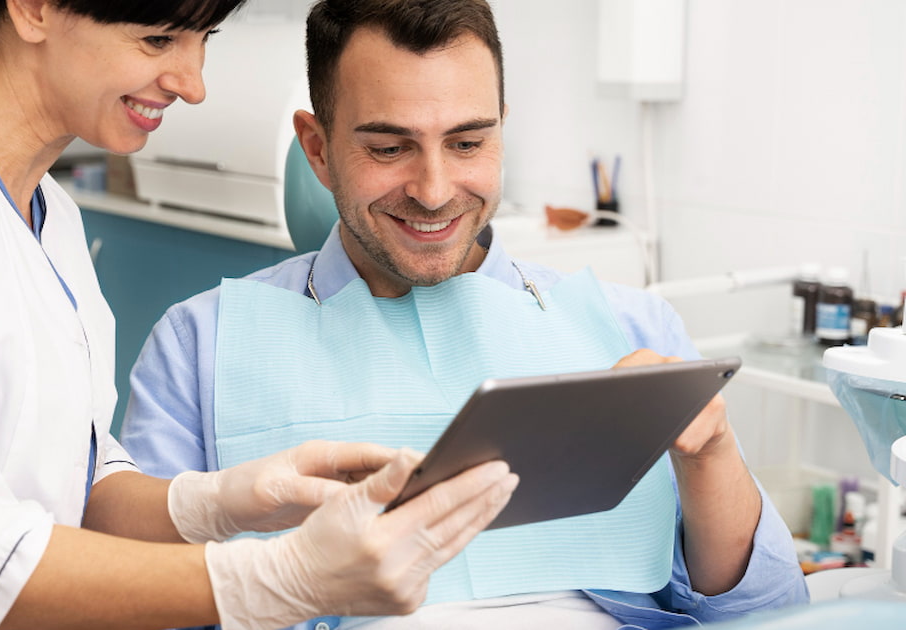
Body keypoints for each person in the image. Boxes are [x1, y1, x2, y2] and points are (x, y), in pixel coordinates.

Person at [0, 1, 521, 628]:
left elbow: (72, 475)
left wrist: (223, 502)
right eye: (158, 40)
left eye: (203, 42)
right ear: (32, 8)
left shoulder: (48, 215)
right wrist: (271, 580)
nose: (192, 83)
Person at [120, 0, 810, 628]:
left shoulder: (633, 329)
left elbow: (768, 612)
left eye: (468, 143)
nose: (435, 190)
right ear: (319, 148)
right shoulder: (202, 346)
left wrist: (711, 457)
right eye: (389, 148)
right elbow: (131, 601)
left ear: (501, 133)